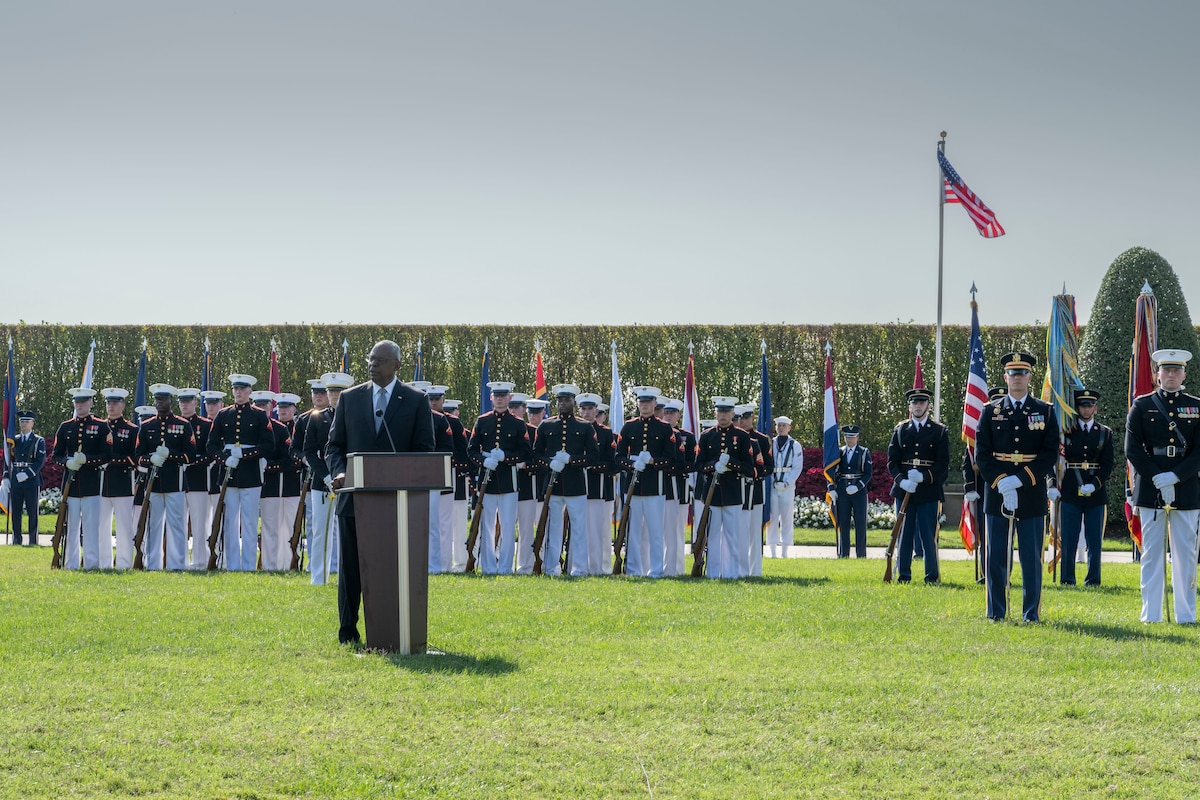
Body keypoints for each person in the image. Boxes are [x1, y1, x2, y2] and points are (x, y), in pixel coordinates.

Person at [326, 340, 436, 645]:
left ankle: (395, 628)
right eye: (371, 359)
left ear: (396, 366)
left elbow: (424, 450)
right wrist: (339, 471)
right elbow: (334, 446)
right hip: (354, 500)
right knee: (350, 568)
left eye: (380, 361)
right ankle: (348, 631)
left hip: (398, 505)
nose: (373, 365)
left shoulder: (415, 400)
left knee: (392, 569)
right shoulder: (350, 398)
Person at [976, 352, 1059, 622]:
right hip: (997, 492)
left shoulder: (1044, 411)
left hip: (1031, 492)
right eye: (1012, 373)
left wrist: (1019, 480)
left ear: (1029, 377)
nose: (1017, 378)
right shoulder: (990, 411)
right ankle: (995, 612)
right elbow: (982, 455)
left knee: (1031, 558)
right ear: (1005, 378)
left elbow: (1049, 455)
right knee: (996, 557)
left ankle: (1030, 614)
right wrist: (1003, 483)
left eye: (1022, 373)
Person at [1126, 348, 1200, 623]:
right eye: (1166, 370)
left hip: (1187, 485)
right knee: (1152, 553)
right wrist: (1158, 477)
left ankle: (1185, 615)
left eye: (1176, 370)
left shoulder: (1197, 406)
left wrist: (1176, 476)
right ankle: (1151, 615)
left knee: (1186, 554)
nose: (1171, 374)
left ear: (1184, 374)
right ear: (1157, 374)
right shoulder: (1142, 405)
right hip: (1150, 486)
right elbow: (1132, 448)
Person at [206, 374, 275, 571]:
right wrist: (224, 458)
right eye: (235, 389)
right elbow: (211, 445)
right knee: (230, 522)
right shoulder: (223, 415)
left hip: (251, 474)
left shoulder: (259, 415)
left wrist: (245, 453)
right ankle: (232, 565)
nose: (238, 392)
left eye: (242, 389)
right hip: (228, 473)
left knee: (250, 522)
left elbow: (269, 445)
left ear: (249, 392)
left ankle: (248, 565)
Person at [531, 384, 598, 576]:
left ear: (573, 403)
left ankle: (579, 568)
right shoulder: (546, 425)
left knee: (578, 528)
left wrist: (572, 460)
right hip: (553, 485)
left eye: (567, 400)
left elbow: (593, 456)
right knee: (553, 528)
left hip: (576, 484)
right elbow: (536, 454)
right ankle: (552, 568)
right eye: (560, 400)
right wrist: (548, 463)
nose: (562, 404)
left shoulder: (584, 427)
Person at [466, 381, 531, 576]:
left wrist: (506, 457)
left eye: (504, 396)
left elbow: (526, 453)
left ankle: (504, 567)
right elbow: (471, 450)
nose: (500, 399)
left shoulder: (518, 423)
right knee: (486, 526)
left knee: (508, 527)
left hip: (508, 481)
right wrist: (483, 461)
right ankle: (487, 567)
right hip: (487, 481)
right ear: (491, 398)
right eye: (497, 395)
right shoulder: (482, 421)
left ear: (509, 398)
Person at [886, 387, 950, 584]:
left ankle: (931, 576)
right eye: (915, 403)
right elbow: (892, 462)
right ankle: (903, 574)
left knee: (928, 535)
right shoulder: (900, 430)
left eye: (922, 403)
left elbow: (942, 464)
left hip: (928, 490)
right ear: (910, 406)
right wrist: (902, 481)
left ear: (928, 406)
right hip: (905, 489)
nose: (918, 406)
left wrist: (924, 477)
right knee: (904, 534)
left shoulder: (939, 431)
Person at [614, 387, 677, 577]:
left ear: (655, 404)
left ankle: (656, 570)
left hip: (654, 487)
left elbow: (671, 459)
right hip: (632, 488)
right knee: (632, 531)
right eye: (641, 402)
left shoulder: (664, 428)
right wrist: (631, 464)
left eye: (648, 402)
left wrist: (652, 461)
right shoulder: (629, 426)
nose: (645, 405)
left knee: (655, 532)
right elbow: (618, 456)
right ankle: (633, 569)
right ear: (637, 404)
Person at [135, 384, 198, 570]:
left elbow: (190, 455)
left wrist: (170, 454)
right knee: (153, 526)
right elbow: (138, 455)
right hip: (153, 484)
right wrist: (150, 458)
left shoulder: (183, 425)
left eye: (162, 399)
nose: (158, 403)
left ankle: (178, 563)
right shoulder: (146, 426)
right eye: (156, 399)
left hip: (175, 482)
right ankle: (152, 564)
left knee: (177, 526)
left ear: (171, 400)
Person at [1055, 388, 1114, 586]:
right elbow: (1057, 459)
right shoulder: (1066, 431)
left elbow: (1108, 464)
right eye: (1082, 405)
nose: (1086, 409)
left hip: (1096, 492)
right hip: (1071, 488)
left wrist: (1095, 484)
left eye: (1090, 406)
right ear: (1077, 407)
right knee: (1069, 538)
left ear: (1096, 408)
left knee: (1094, 540)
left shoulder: (1105, 433)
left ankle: (1093, 579)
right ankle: (1067, 578)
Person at [302, 372, 354, 584]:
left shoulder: (355, 417)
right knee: (320, 531)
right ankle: (319, 577)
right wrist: (324, 476)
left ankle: (346, 576)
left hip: (349, 481)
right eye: (331, 391)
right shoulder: (317, 418)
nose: (333, 395)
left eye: (338, 391)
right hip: (322, 483)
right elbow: (309, 451)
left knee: (348, 532)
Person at [695, 397, 755, 579]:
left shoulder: (743, 437)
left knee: (732, 538)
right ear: (715, 414)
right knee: (712, 537)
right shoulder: (706, 436)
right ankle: (713, 573)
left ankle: (731, 573)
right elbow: (698, 465)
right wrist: (713, 465)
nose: (723, 415)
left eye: (726, 412)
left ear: (732, 414)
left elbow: (749, 468)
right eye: (720, 412)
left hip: (732, 493)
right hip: (711, 495)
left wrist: (731, 463)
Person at [53, 387, 113, 569]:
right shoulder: (65, 427)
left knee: (90, 528)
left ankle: (91, 564)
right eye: (76, 402)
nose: (79, 405)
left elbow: (107, 455)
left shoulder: (102, 426)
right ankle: (70, 564)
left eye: (83, 402)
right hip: (70, 486)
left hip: (91, 484)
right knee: (70, 528)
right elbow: (56, 456)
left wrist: (88, 460)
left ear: (91, 403)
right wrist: (66, 462)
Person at [963, 386, 1007, 584]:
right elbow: (969, 461)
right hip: (983, 490)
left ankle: (1005, 575)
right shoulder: (982, 428)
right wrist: (970, 488)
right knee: (985, 537)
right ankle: (985, 573)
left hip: (1007, 487)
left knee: (1004, 538)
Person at [258, 391, 303, 570]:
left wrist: (270, 465)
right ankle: (270, 564)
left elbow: (293, 458)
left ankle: (291, 563)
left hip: (292, 485)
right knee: (270, 527)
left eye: (286, 407)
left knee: (292, 527)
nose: (283, 410)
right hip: (270, 486)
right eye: (281, 407)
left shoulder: (297, 427)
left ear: (294, 409)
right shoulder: (269, 428)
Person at [578, 393, 617, 576]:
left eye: (590, 409)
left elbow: (613, 463)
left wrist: (595, 466)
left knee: (600, 532)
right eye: (583, 409)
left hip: (599, 488)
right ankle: (578, 566)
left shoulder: (605, 433)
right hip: (576, 488)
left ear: (596, 411)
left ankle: (601, 568)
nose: (586, 413)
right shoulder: (574, 429)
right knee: (579, 531)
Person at [98, 388, 137, 568]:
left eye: (115, 403)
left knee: (124, 527)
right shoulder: (99, 426)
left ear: (123, 405)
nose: (111, 406)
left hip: (122, 483)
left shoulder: (131, 429)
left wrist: (112, 460)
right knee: (101, 527)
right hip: (101, 483)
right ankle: (104, 563)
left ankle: (124, 562)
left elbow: (135, 457)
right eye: (108, 403)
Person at [177, 388, 214, 569]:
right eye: (181, 402)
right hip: (176, 481)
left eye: (188, 401)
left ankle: (200, 561)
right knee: (179, 525)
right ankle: (180, 561)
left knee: (200, 524)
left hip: (199, 479)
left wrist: (194, 461)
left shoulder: (205, 425)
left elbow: (211, 452)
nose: (184, 404)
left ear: (195, 403)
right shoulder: (174, 424)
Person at [737, 404, 772, 576]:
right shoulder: (734, 437)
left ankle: (755, 570)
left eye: (746, 418)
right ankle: (739, 569)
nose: (743, 421)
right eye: (740, 418)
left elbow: (769, 467)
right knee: (737, 532)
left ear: (752, 418)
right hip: (735, 491)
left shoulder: (762, 440)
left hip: (755, 491)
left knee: (754, 533)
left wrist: (754, 473)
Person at [662, 398, 695, 576]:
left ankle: (677, 568)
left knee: (676, 531)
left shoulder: (687, 437)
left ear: (678, 416)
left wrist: (674, 467)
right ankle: (662, 567)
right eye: (666, 412)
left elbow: (692, 463)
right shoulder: (658, 433)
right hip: (659, 487)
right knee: (661, 532)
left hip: (679, 488)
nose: (668, 416)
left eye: (672, 413)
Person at [829, 424, 872, 558]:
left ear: (857, 437)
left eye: (852, 437)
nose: (850, 440)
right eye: (847, 437)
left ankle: (861, 554)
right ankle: (844, 553)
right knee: (843, 522)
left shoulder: (864, 452)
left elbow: (868, 474)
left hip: (858, 492)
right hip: (842, 490)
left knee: (860, 523)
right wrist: (831, 489)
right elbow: (831, 471)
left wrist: (858, 486)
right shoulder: (839, 452)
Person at [4, 410, 46, 546]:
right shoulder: (13, 440)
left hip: (31, 480)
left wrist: (27, 474)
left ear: (32, 423)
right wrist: (6, 476)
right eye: (22, 421)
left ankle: (33, 540)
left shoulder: (38, 440)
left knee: (32, 511)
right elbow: (7, 459)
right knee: (16, 511)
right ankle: (16, 539)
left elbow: (40, 461)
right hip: (16, 478)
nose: (24, 424)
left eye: (27, 422)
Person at [441, 398, 472, 572]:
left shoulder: (463, 431)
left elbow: (465, 455)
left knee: (459, 525)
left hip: (458, 483)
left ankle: (460, 562)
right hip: (439, 482)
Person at [767, 415, 803, 559]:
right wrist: (772, 481)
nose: (781, 428)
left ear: (789, 427)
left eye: (784, 425)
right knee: (772, 517)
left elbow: (797, 467)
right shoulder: (771, 443)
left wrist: (787, 482)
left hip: (787, 486)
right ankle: (772, 549)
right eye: (779, 425)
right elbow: (767, 464)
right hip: (773, 485)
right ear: (775, 427)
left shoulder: (795, 445)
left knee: (787, 517)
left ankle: (785, 549)